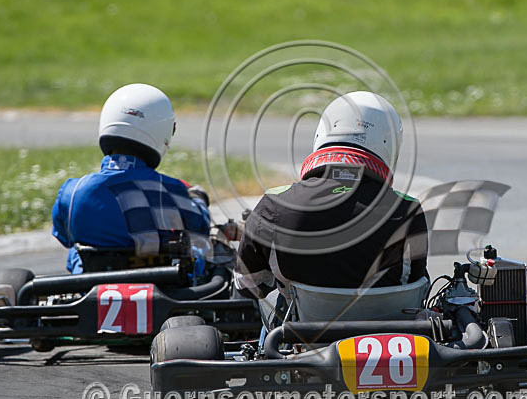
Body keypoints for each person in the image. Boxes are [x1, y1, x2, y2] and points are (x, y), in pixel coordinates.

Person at [233, 91, 428, 303]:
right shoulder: (407, 209)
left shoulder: (274, 204)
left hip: (302, 333)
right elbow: (416, 286)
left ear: (323, 134)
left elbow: (247, 287)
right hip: (384, 332)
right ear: (388, 143)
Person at [51, 83, 211, 273]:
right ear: (164, 131)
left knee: (75, 250)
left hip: (93, 287)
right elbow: (201, 227)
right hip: (162, 287)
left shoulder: (72, 192)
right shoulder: (170, 190)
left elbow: (64, 237)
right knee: (201, 253)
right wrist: (198, 198)